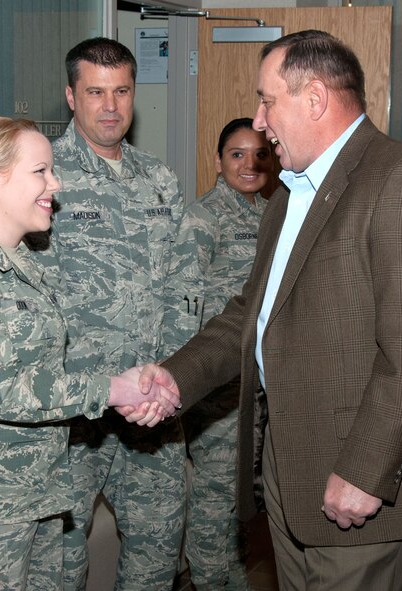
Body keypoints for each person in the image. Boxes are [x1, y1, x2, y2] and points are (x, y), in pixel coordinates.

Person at [138, 30, 402, 590]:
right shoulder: (290, 191)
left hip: (361, 492)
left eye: (267, 101)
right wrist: (173, 378)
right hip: (291, 482)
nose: (259, 122)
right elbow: (251, 314)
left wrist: (365, 471)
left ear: (314, 100)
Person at [0, 116, 179, 590]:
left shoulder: (24, 264)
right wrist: (113, 390)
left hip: (39, 496)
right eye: (41, 172)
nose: (56, 183)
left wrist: (133, 379)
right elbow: (4, 389)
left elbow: (50, 367)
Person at [35, 37, 188, 590]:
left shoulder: (159, 180)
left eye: (121, 91)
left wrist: (170, 377)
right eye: (95, 92)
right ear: (70, 96)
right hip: (71, 416)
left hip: (151, 411)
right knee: (56, 567)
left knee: (156, 557)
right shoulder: (41, 178)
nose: (110, 106)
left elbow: (181, 285)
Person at [165, 118, 272, 590]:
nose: (249, 164)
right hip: (219, 383)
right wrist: (187, 379)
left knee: (238, 492)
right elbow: (184, 305)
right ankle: (211, 580)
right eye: (236, 154)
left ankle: (232, 576)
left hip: (257, 381)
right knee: (216, 492)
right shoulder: (202, 218)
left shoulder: (273, 214)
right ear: (217, 160)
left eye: (258, 154)